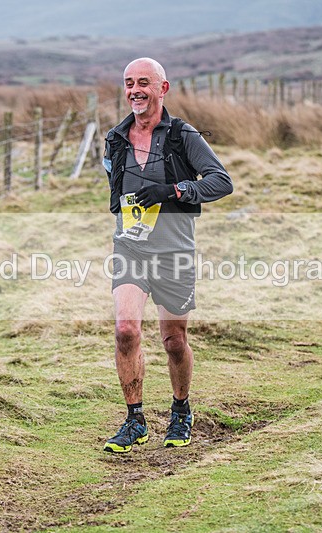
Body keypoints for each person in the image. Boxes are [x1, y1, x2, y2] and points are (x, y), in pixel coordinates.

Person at [102, 58, 233, 453]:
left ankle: (180, 410)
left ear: (163, 88)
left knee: (174, 340)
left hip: (175, 250)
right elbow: (116, 191)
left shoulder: (183, 135)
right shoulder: (115, 138)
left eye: (144, 82)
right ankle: (134, 420)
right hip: (130, 247)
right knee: (126, 329)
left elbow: (221, 181)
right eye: (129, 83)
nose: (135, 90)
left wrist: (174, 191)